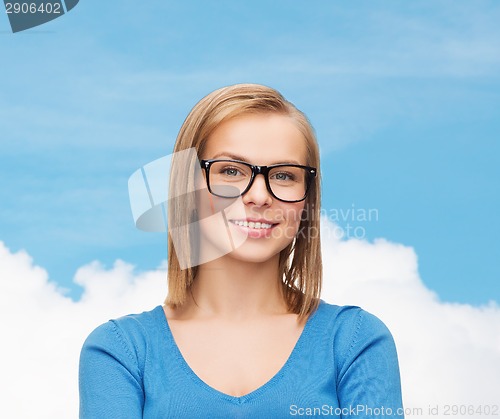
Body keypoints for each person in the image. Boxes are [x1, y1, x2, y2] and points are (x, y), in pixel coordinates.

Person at [79, 84, 404, 418]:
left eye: (283, 175)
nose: (259, 196)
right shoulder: (119, 351)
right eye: (231, 171)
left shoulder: (355, 343)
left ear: (307, 198)